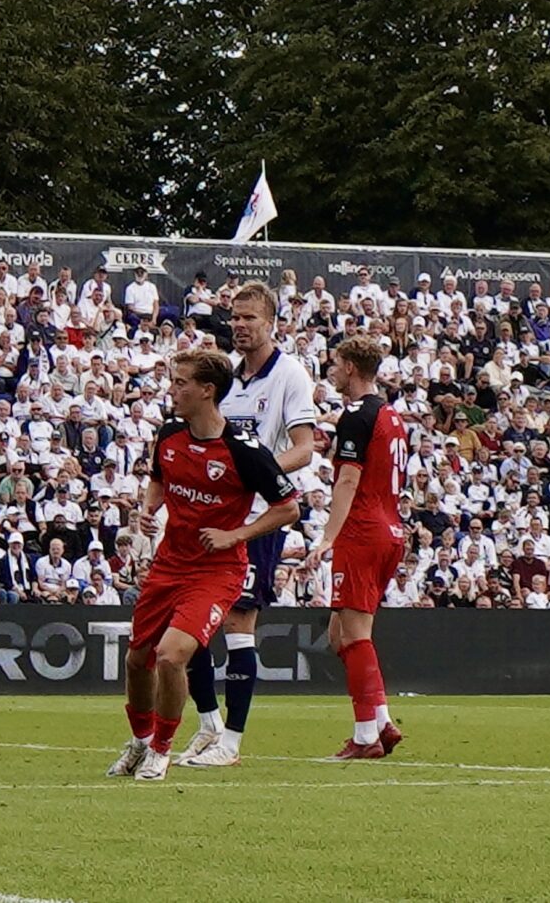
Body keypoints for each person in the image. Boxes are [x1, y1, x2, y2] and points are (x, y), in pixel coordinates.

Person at [111, 348, 299, 780]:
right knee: (137, 659)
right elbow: (158, 478)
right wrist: (149, 508)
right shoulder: (170, 433)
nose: (172, 390)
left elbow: (288, 508)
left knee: (171, 656)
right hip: (167, 565)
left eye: (180, 383)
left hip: (216, 570)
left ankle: (162, 747)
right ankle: (139, 742)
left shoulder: (244, 450)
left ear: (207, 391)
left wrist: (235, 535)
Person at [181, 280, 320, 767]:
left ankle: (232, 742)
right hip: (209, 514)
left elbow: (305, 448)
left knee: (239, 622)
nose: (239, 326)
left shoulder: (290, 376)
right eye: (235, 317)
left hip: (258, 516)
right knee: (188, 619)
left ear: (271, 323)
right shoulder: (225, 377)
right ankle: (207, 724)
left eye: (250, 319)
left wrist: (256, 476)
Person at [306, 333, 408, 759]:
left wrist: (327, 536)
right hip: (391, 528)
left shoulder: (355, 416)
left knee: (354, 633)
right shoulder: (391, 415)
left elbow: (348, 480)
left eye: (335, 363)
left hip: (362, 529)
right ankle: (380, 720)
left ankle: (366, 735)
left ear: (350, 367)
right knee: (338, 635)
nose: (331, 370)